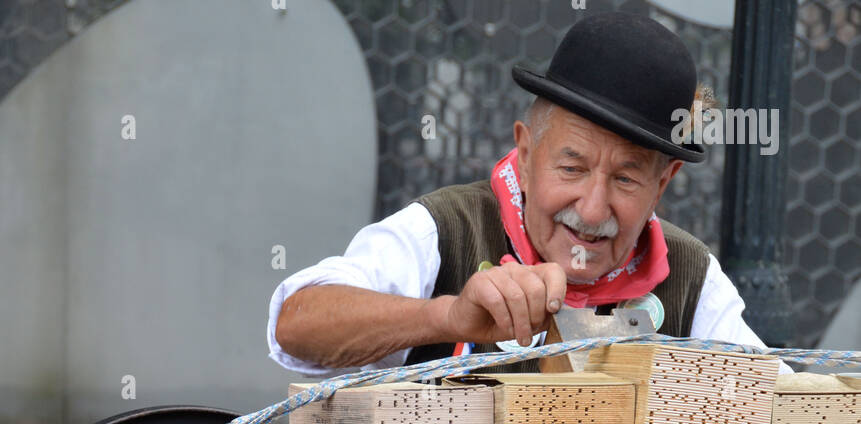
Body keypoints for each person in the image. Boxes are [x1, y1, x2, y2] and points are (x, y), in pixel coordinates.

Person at [268, 12, 783, 378]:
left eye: (626, 179)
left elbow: (784, 403)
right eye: (572, 167)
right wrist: (447, 316)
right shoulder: (446, 229)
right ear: (526, 152)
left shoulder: (690, 276)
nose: (592, 209)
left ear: (662, 183)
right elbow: (297, 324)